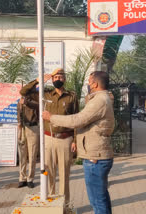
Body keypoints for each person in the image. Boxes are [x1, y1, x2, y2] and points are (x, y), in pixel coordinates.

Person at [42, 71, 115, 214]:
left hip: (95, 157)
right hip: (94, 154)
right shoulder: (99, 98)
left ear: (95, 83)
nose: (88, 84)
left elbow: (77, 120)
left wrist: (51, 117)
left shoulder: (99, 101)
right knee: (100, 198)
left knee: (97, 200)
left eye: (89, 81)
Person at [20, 68, 78, 203]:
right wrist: (37, 81)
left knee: (64, 174)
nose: (58, 79)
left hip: (65, 139)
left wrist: (75, 139)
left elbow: (76, 118)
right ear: (52, 80)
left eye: (60, 77)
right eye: (55, 77)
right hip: (49, 138)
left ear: (65, 79)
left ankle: (64, 204)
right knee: (48, 172)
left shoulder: (71, 96)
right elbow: (23, 92)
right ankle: (51, 201)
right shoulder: (45, 95)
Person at [17, 90, 39, 188]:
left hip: (33, 128)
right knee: (22, 154)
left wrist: (26, 102)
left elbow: (37, 106)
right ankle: (22, 178)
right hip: (22, 128)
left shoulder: (35, 100)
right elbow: (18, 113)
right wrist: (19, 123)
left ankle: (30, 178)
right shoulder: (20, 101)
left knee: (32, 155)